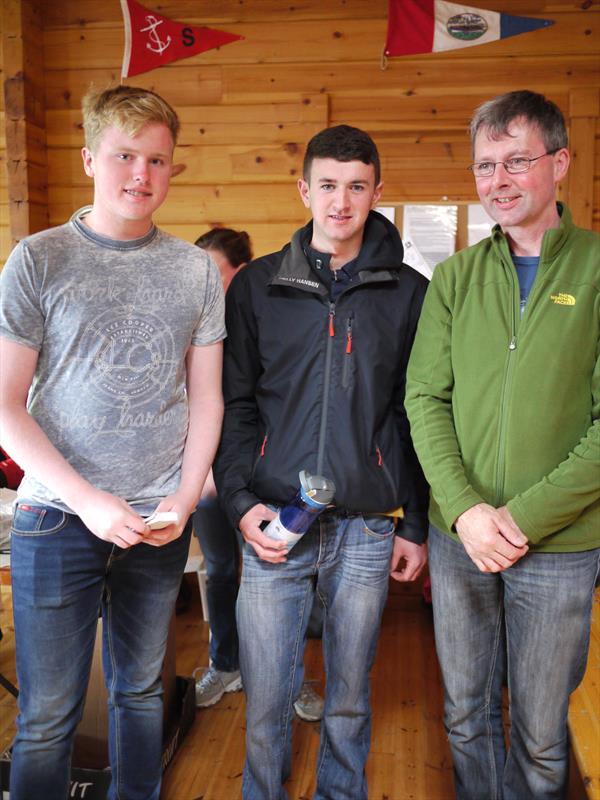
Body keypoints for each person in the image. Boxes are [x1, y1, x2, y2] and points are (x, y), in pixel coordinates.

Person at [0, 85, 225, 800]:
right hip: (55, 518)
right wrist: (89, 500)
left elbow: (209, 397)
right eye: (126, 156)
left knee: (138, 696)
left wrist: (185, 500)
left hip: (157, 523)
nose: (141, 175)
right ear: (92, 156)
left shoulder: (194, 270)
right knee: (47, 718)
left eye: (158, 160)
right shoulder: (38, 259)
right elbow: (6, 406)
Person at [213, 124, 429, 799]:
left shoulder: (410, 292)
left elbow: (412, 413)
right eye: (328, 186)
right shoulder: (255, 288)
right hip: (274, 524)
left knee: (348, 697)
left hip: (366, 529)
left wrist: (415, 525)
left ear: (378, 192)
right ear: (304, 189)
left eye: (357, 186)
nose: (341, 202)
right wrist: (241, 504)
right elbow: (236, 404)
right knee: (269, 699)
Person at [405, 90, 600, 800]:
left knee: (544, 734)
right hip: (460, 540)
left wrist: (519, 520)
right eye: (486, 165)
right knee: (465, 716)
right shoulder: (453, 279)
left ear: (560, 163)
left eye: (516, 160)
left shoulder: (598, 271)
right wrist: (466, 512)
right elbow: (424, 400)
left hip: (561, 547)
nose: (498, 180)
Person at [192, 228, 325, 722]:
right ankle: (225, 664)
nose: (204, 284)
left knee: (279, 579)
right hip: (209, 481)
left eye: (214, 274)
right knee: (224, 572)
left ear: (241, 275)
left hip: (268, 476)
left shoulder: (266, 315)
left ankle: (288, 681)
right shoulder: (195, 325)